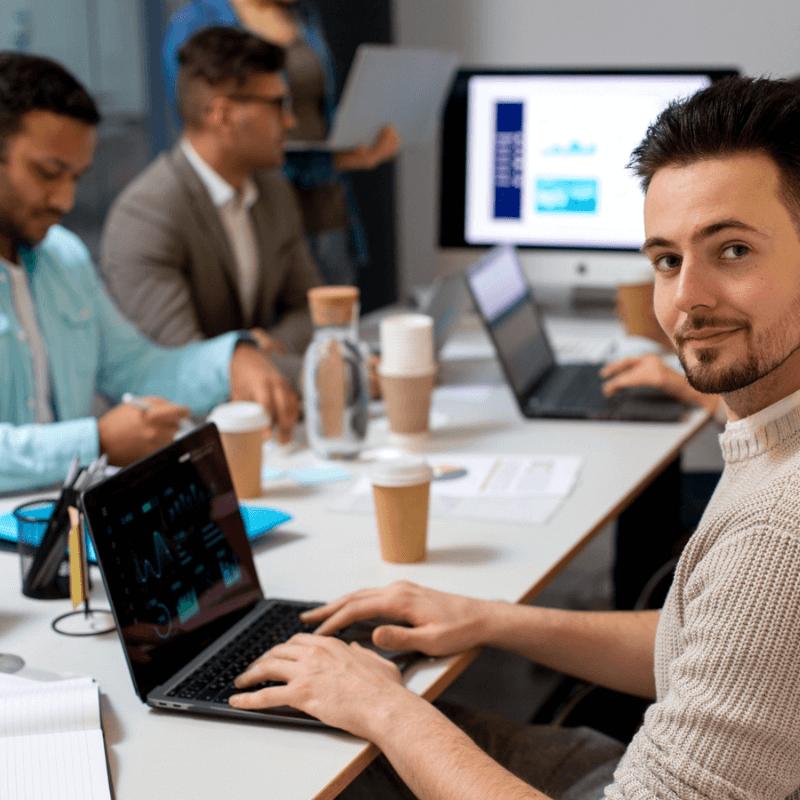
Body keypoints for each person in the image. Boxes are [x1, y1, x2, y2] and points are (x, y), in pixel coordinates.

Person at [228, 76, 800, 799]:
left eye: (733, 251)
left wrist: (385, 708)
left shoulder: (778, 533)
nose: (687, 297)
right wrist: (487, 618)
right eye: (667, 260)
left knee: (306, 753)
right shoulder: (773, 436)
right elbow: (713, 647)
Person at [0, 51, 299, 494]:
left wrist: (231, 359)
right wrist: (96, 440)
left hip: (71, 521)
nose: (64, 200)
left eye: (76, 178)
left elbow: (137, 369)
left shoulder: (64, 257)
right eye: (48, 173)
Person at [100, 28, 322, 372]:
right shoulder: (146, 214)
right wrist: (250, 356)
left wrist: (264, 352)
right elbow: (180, 365)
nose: (291, 122)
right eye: (278, 105)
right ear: (222, 115)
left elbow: (311, 310)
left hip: (257, 397)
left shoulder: (274, 193)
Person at [161, 0, 400, 287]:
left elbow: (316, 109)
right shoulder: (195, 22)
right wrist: (333, 160)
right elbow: (208, 132)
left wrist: (359, 137)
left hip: (325, 210)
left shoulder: (303, 16)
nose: (288, 120)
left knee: (329, 309)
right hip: (256, 209)